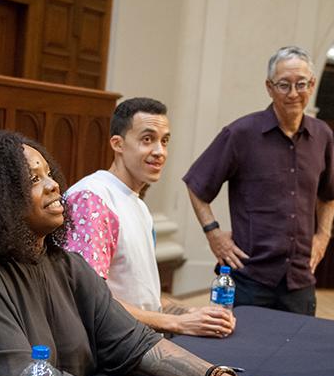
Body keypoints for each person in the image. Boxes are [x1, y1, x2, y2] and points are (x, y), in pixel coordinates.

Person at [0, 130, 283, 376]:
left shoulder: (63, 264)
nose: (53, 185)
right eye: (33, 180)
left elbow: (133, 342)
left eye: (48, 174)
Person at [183, 46, 334, 316]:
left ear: (312, 85)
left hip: (300, 281)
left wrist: (323, 236)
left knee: (296, 356)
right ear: (269, 88)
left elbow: (330, 194)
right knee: (240, 358)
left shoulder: (323, 135)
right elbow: (197, 185)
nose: (293, 93)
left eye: (301, 84)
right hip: (249, 278)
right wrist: (214, 234)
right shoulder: (240, 134)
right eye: (284, 85)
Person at [65, 97, 235, 338]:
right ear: (118, 144)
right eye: (147, 139)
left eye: (164, 141)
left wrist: (191, 313)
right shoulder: (92, 198)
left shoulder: (138, 205)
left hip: (140, 339)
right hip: (108, 349)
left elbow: (141, 296)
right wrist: (178, 324)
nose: (159, 151)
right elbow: (88, 299)